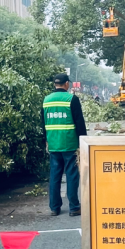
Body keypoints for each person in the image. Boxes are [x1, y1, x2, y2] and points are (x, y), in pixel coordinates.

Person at [41, 73, 87, 216]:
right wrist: (83, 141)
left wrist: (46, 140)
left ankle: (54, 208)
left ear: (55, 84)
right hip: (69, 143)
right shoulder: (71, 99)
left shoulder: (46, 100)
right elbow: (79, 122)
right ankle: (74, 207)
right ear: (66, 84)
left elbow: (43, 123)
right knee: (72, 175)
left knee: (55, 175)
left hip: (53, 143)